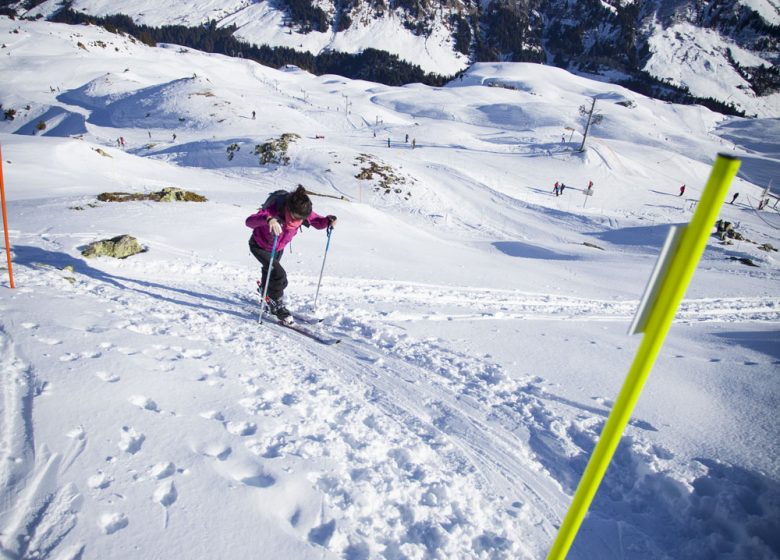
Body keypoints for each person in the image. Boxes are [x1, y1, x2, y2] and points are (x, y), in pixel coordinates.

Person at [246, 186, 337, 325]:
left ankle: (266, 293)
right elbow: (250, 221)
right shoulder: (274, 210)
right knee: (279, 275)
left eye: (301, 219)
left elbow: (317, 222)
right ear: (288, 208)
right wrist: (269, 219)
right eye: (294, 217)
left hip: (278, 248)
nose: (296, 222)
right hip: (259, 246)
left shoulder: (303, 212)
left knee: (269, 271)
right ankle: (276, 304)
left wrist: (328, 221)